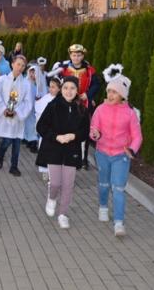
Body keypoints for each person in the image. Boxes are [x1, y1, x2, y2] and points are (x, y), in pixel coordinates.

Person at [90, 72, 142, 237]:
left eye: (115, 92)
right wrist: (95, 134)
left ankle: (119, 223)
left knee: (118, 188)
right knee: (104, 184)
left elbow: (137, 136)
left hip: (121, 155)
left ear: (122, 95)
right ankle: (103, 207)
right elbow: (93, 128)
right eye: (109, 91)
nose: (111, 95)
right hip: (102, 153)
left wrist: (132, 149)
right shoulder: (100, 109)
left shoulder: (130, 113)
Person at [35, 76, 90, 229]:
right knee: (55, 183)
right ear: (61, 89)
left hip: (72, 151)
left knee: (68, 185)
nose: (68, 91)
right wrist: (56, 137)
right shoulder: (53, 105)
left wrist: (74, 136)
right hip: (54, 149)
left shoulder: (82, 109)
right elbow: (41, 127)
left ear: (77, 90)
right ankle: (52, 198)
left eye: (72, 88)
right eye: (65, 88)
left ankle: (63, 214)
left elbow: (85, 132)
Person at [50, 44, 99, 169]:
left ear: (83, 56)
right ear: (70, 56)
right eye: (74, 55)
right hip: (66, 104)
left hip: (83, 105)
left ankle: (83, 159)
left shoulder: (89, 70)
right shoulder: (63, 69)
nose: (76, 58)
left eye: (79, 55)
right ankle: (65, 155)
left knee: (83, 130)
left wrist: (88, 95)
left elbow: (96, 85)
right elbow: (53, 82)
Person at [0, 55, 34, 176]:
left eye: (23, 66)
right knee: (7, 140)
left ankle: (14, 166)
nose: (20, 67)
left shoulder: (26, 84)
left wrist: (18, 111)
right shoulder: (2, 80)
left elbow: (28, 102)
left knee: (17, 142)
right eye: (18, 64)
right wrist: (3, 109)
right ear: (12, 64)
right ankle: (0, 156)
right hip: (4, 115)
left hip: (17, 118)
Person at [34, 77, 61, 180]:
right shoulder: (45, 98)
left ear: (59, 88)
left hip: (57, 131)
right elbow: (39, 112)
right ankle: (44, 171)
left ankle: (54, 172)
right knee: (45, 151)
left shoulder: (61, 99)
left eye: (53, 87)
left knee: (55, 153)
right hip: (46, 131)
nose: (50, 89)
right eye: (50, 87)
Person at [23, 65, 39, 152]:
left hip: (35, 109)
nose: (33, 74)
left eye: (34, 72)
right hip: (26, 108)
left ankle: (33, 142)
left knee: (34, 125)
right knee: (27, 125)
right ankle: (28, 140)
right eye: (31, 72)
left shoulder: (39, 83)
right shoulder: (25, 82)